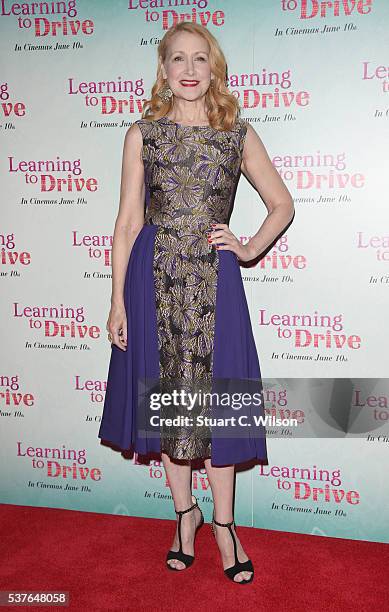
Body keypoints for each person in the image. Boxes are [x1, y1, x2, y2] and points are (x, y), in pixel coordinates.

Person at [98, 22, 294, 584]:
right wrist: (118, 302)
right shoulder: (142, 134)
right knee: (165, 403)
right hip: (151, 277)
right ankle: (186, 516)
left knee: (219, 405)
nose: (188, 69)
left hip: (215, 277)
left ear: (215, 69)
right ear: (163, 69)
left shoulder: (237, 134)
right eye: (178, 59)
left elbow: (281, 203)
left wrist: (249, 245)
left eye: (199, 60)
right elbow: (128, 221)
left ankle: (225, 526)